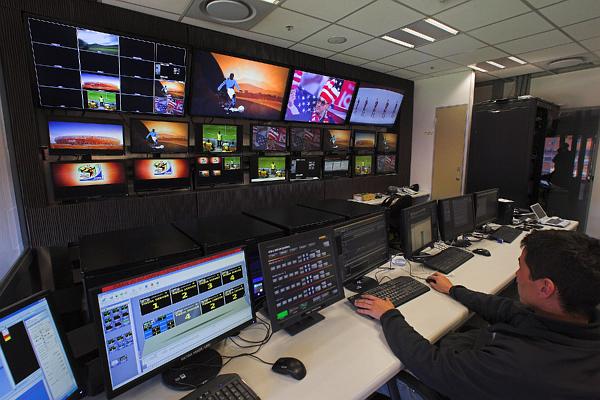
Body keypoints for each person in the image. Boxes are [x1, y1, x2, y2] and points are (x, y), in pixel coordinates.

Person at [354, 229, 600, 400]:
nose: (516, 275)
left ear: (545, 288)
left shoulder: (519, 365)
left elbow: (433, 365)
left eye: (521, 268)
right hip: (481, 365)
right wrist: (453, 290)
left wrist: (389, 315)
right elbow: (507, 310)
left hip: (456, 379)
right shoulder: (575, 320)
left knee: (375, 372)